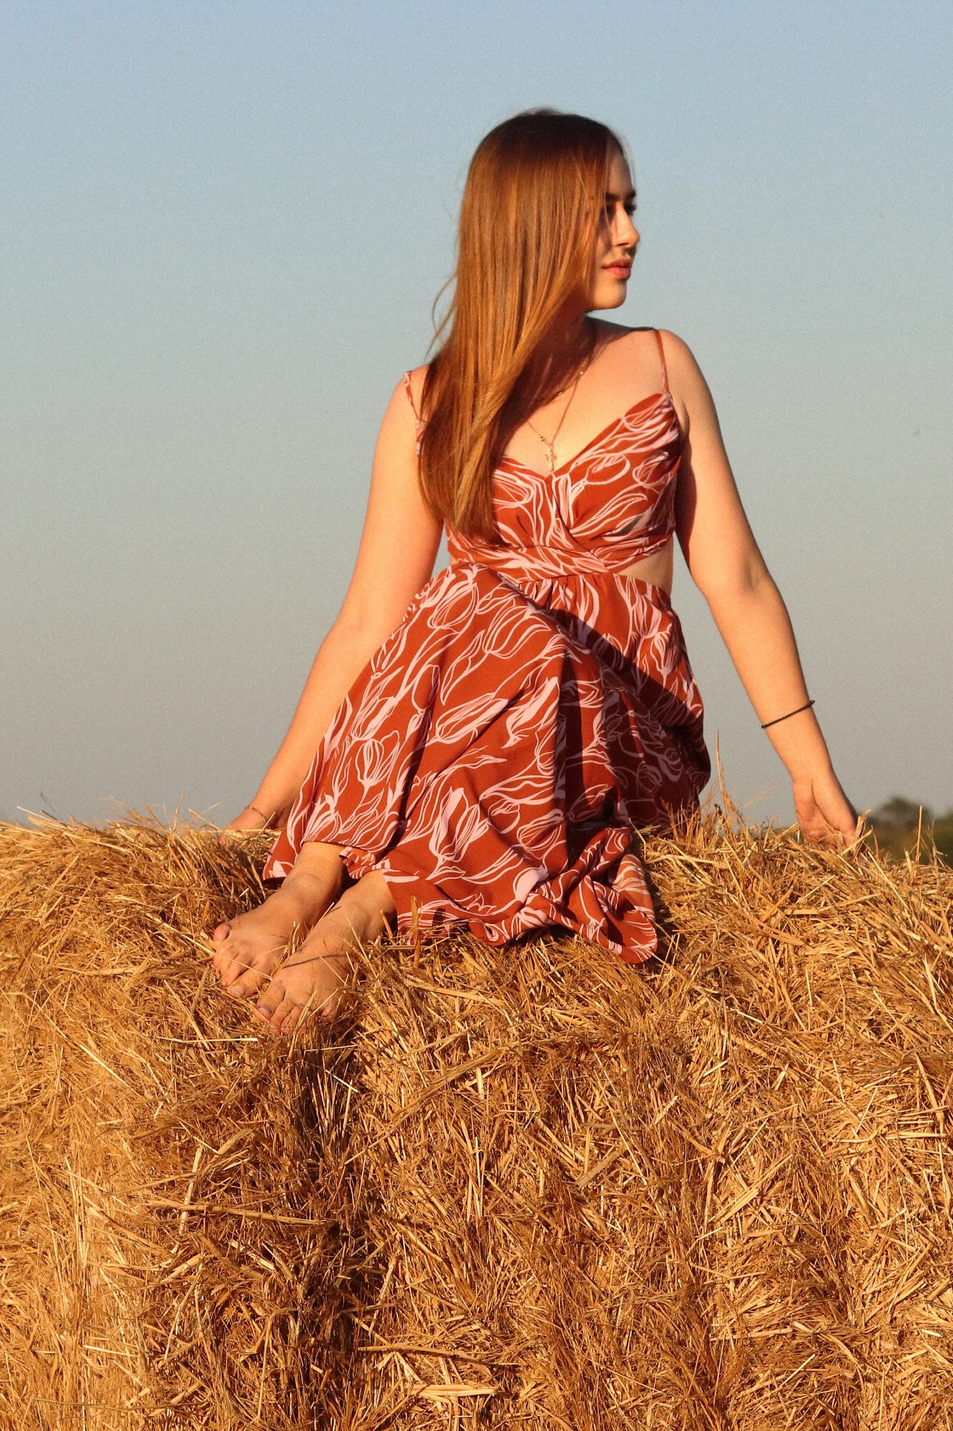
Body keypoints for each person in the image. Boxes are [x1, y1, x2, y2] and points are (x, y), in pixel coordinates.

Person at [213, 108, 858, 1029]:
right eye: (603, 212)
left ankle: (363, 909)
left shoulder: (661, 365)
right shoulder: (427, 401)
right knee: (469, 599)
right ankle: (307, 877)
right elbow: (367, 621)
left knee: (510, 618)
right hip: (460, 721)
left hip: (617, 734)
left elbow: (737, 577)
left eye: (630, 208)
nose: (631, 233)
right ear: (531, 224)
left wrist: (807, 766)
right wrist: (259, 807)